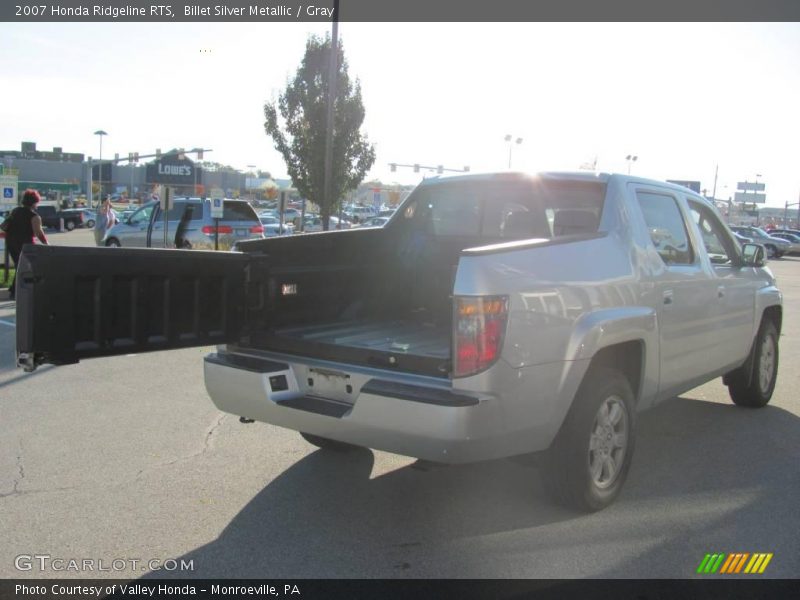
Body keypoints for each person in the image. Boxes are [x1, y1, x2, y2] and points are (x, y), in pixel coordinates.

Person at [5, 189, 48, 299]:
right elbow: (38, 233)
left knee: (19, 266)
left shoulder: (15, 211)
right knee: (28, 267)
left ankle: (15, 291)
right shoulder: (34, 216)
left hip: (11, 243)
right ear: (34, 202)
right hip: (26, 245)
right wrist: (46, 244)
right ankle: (18, 291)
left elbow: (6, 226)